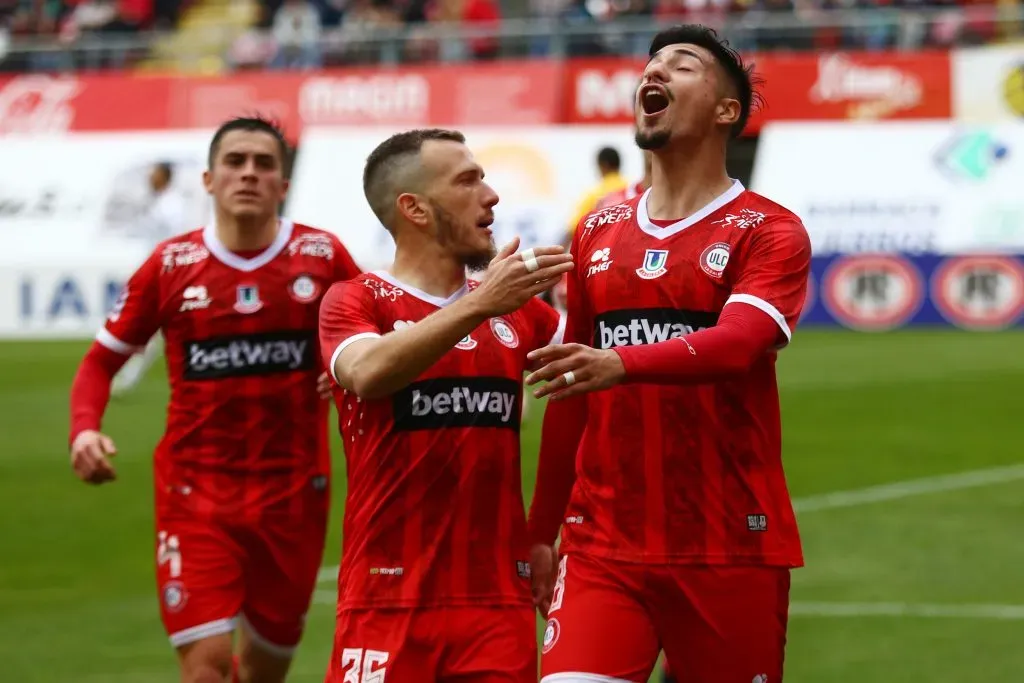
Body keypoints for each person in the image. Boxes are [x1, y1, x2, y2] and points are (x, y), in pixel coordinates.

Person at [524, 24, 812, 683]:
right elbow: (573, 386)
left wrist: (621, 363)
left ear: (725, 109)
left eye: (681, 65)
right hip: (603, 546)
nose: (655, 72)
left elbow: (739, 344)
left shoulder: (770, 230)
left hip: (728, 546)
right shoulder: (597, 228)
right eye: (651, 64)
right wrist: (541, 529)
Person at [68, 116, 362, 683]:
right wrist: (85, 427)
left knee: (263, 669)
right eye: (235, 162)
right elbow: (101, 361)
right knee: (206, 671)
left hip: (294, 496)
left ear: (283, 183)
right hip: (195, 495)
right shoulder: (169, 266)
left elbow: (377, 343)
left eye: (264, 164)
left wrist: (347, 367)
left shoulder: (323, 258)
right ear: (208, 179)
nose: (248, 173)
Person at [317, 128, 574, 683]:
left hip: (495, 607)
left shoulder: (522, 314)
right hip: (385, 603)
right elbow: (366, 373)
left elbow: (601, 381)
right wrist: (482, 303)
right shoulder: (356, 299)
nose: (491, 196)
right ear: (415, 208)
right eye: (467, 181)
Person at [111, 161, 188, 395]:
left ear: (164, 177)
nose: (149, 178)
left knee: (152, 326)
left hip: (167, 273)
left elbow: (175, 239)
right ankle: (130, 375)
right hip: (156, 270)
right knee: (152, 327)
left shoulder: (173, 205)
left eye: (153, 174)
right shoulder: (158, 203)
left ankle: (130, 376)